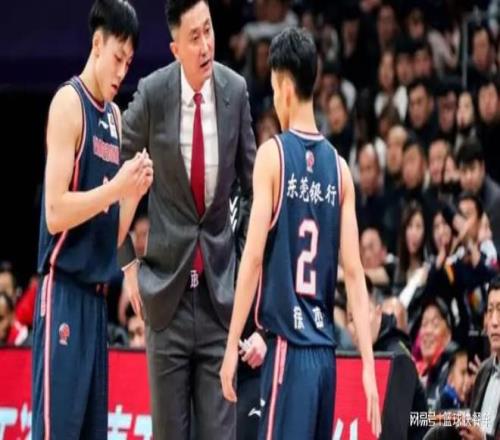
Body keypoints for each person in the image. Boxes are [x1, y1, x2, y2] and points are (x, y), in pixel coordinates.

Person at [220, 28, 381, 439]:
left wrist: (232, 343)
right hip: (325, 357)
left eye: (275, 89)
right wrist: (366, 364)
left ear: (285, 88)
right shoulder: (340, 169)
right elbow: (355, 274)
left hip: (288, 352)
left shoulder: (273, 156)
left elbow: (252, 259)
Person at [118, 0, 256, 438]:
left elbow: (254, 188)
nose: (206, 45)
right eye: (194, 37)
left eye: (208, 30)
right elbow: (112, 170)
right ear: (175, 48)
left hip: (219, 300)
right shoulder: (154, 93)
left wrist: (241, 260)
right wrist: (127, 261)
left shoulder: (235, 91)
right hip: (166, 300)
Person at [32, 1, 152, 439]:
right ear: (97, 45)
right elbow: (55, 212)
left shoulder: (115, 118)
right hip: (63, 291)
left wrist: (132, 196)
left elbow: (109, 233)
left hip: (96, 302)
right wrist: (116, 188)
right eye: (117, 58)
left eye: (129, 63)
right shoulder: (69, 103)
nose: (122, 71)